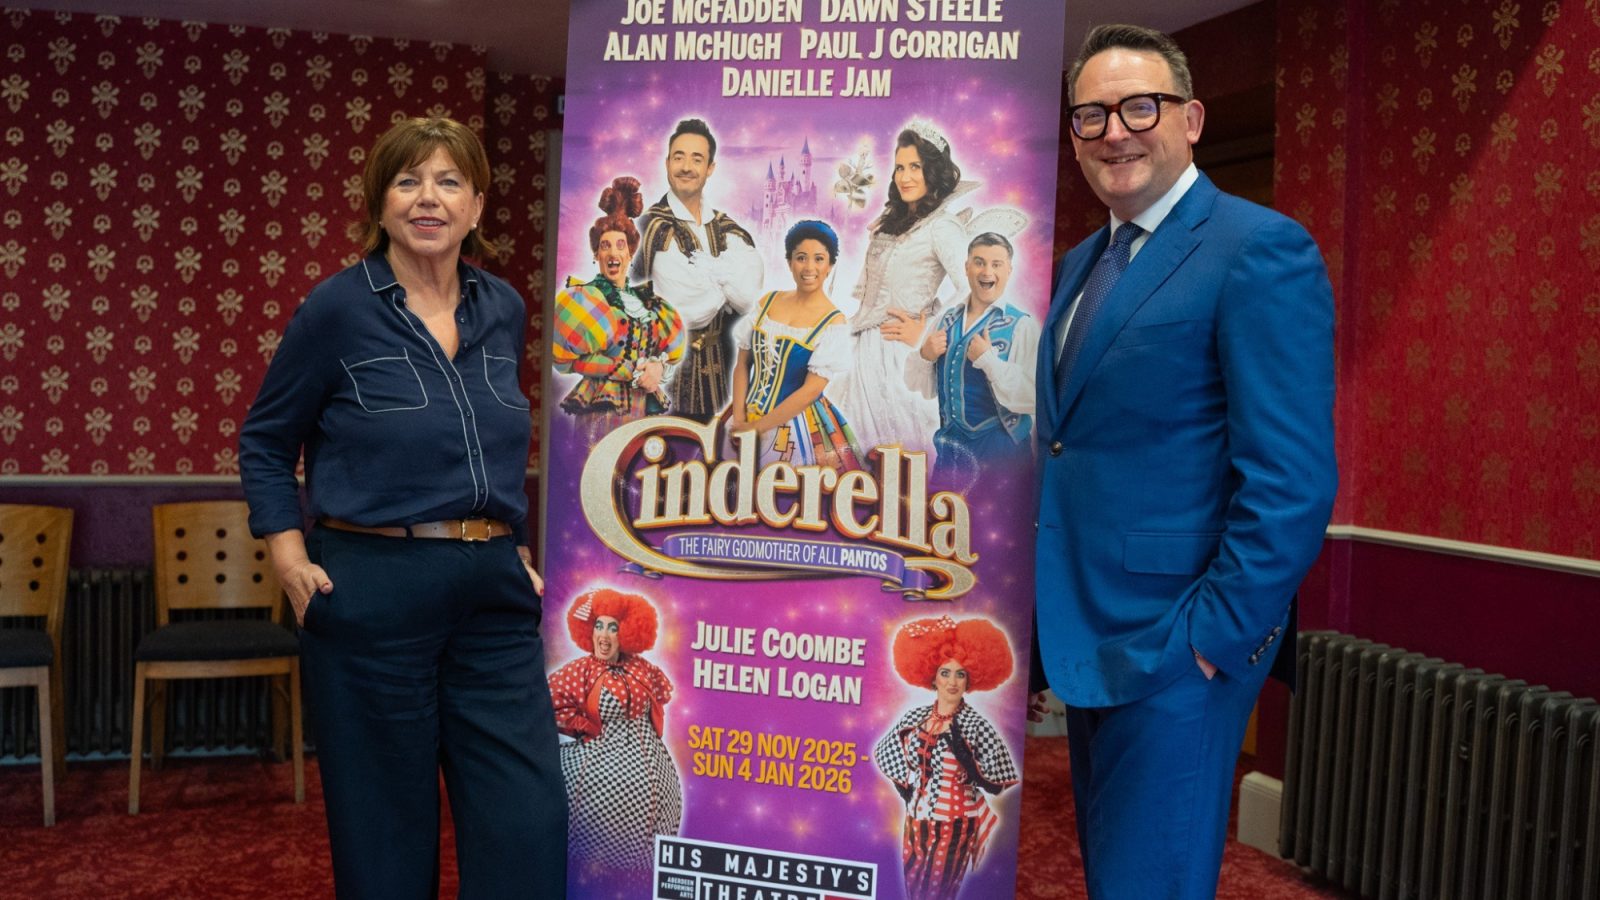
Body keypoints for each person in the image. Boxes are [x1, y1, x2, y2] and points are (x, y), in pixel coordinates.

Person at [1031, 24, 1337, 899]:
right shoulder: (1079, 265)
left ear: (1192, 118)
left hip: (1177, 644)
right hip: (1087, 632)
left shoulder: (1259, 249)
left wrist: (1211, 642)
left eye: (1139, 107)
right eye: (1090, 116)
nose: (1113, 132)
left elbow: (1293, 479)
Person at [239, 116, 566, 900]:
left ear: (478, 205)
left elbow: (493, 438)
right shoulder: (336, 310)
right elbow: (265, 440)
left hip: (490, 596)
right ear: (379, 203)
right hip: (371, 589)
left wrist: (502, 536)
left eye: (450, 181)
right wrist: (288, 557)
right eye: (408, 180)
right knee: (385, 838)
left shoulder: (506, 310)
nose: (429, 198)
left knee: (529, 824)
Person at [841, 119, 976, 457]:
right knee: (859, 453)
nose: (905, 176)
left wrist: (927, 331)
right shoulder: (892, 220)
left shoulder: (942, 226)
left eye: (915, 166)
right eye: (900, 167)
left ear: (934, 171)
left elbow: (972, 288)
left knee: (903, 453)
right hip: (864, 352)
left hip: (900, 356)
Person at [874, 615, 1020, 900]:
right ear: (932, 677)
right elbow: (887, 753)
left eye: (961, 674)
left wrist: (970, 765)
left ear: (970, 681)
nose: (952, 682)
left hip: (954, 823)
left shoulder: (977, 726)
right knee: (913, 889)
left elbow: (997, 785)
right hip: (916, 821)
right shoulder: (915, 719)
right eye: (945, 672)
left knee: (937, 893)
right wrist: (908, 791)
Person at [632, 118, 763, 422]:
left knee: (717, 461)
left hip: (724, 372)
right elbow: (686, 307)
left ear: (710, 168)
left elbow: (747, 297)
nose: (686, 167)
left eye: (696, 158)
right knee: (663, 460)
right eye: (678, 157)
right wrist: (725, 281)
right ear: (666, 163)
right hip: (662, 374)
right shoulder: (650, 226)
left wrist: (713, 282)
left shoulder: (728, 227)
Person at [547, 589, 681, 878]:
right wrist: (584, 726)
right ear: (588, 630)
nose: (604, 635)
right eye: (598, 625)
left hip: (657, 786)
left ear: (628, 633)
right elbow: (547, 700)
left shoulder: (643, 669)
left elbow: (661, 700)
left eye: (613, 627)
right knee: (596, 871)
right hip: (599, 784)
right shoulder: (581, 670)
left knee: (644, 874)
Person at [552, 176, 687, 431]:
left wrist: (657, 367)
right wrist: (626, 369)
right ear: (596, 254)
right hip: (602, 410)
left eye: (620, 245)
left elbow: (671, 352)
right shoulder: (584, 299)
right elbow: (567, 360)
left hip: (643, 411)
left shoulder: (650, 304)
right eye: (605, 246)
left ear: (630, 253)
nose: (613, 253)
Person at [728, 219, 864, 471]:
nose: (809, 267)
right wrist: (739, 419)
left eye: (819, 259)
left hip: (795, 426)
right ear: (789, 261)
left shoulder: (833, 322)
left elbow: (810, 391)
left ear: (830, 266)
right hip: (744, 414)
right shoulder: (768, 302)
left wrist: (757, 429)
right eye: (801, 257)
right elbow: (742, 365)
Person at [902, 231, 1038, 480]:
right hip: (949, 455)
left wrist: (989, 362)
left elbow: (1033, 397)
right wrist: (925, 354)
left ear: (1009, 270)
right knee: (944, 519)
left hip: (1001, 458)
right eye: (979, 262)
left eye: (996, 264)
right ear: (966, 267)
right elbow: (919, 386)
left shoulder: (1022, 325)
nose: (987, 272)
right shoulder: (946, 319)